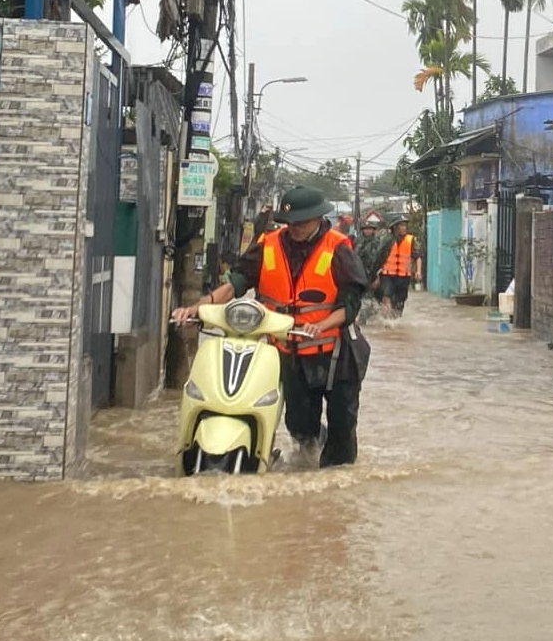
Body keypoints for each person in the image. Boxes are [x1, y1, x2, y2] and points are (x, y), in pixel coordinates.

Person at [171, 186, 370, 468]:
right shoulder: (269, 244)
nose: (294, 228)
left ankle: (335, 483)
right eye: (289, 222)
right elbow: (236, 283)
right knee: (299, 427)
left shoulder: (338, 248)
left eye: (301, 222)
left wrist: (322, 324)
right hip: (289, 351)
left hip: (336, 354)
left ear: (317, 218)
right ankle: (309, 460)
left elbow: (351, 304)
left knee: (342, 428)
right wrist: (198, 309)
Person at [378, 215, 422, 317]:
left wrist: (418, 271)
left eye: (405, 225)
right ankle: (386, 320)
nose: (404, 227)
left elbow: (418, 256)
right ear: (395, 227)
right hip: (387, 275)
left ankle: (395, 320)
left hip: (404, 276)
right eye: (402, 225)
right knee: (386, 295)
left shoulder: (411, 240)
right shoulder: (386, 240)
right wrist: (376, 275)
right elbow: (379, 258)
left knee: (399, 301)